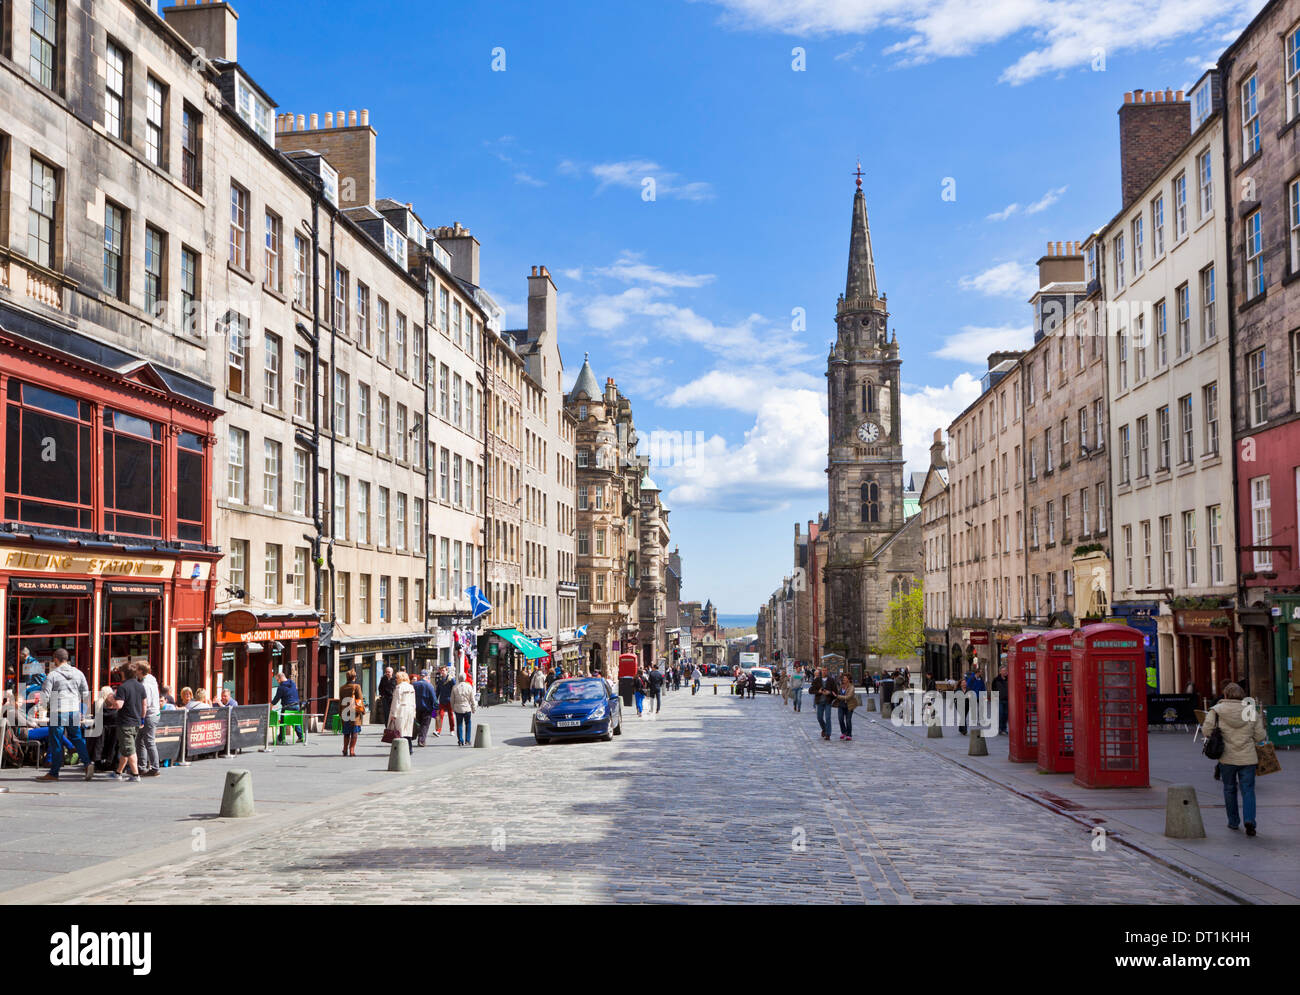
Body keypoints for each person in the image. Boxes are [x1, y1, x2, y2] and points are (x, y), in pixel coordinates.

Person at [1201, 683, 1268, 836]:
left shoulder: (1217, 710)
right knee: (1248, 790)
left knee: (1229, 789)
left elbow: (1206, 731)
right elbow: (1260, 736)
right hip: (1248, 758)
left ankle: (1233, 821)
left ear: (1225, 695)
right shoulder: (1250, 710)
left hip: (1227, 757)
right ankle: (1249, 820)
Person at [36, 648, 93, 782]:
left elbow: (45, 696)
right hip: (74, 711)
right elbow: (85, 694)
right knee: (78, 739)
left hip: (58, 711)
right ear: (67, 659)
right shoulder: (78, 673)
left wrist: (43, 709)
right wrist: (83, 712)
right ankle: (87, 764)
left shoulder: (53, 675)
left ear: (56, 659)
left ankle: (54, 773)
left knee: (56, 742)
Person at [108, 664, 146, 782]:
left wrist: (111, 700)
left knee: (129, 749)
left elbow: (119, 705)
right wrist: (142, 719)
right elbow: (145, 704)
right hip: (136, 721)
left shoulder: (123, 687)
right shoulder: (140, 686)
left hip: (125, 722)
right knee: (125, 748)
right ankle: (118, 772)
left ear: (124, 673)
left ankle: (135, 775)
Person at [136, 661, 161, 777]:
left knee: (149, 741)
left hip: (149, 715)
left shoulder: (145, 685)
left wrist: (141, 717)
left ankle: (155, 768)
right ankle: (142, 766)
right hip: (153, 714)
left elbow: (147, 702)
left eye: (136, 669)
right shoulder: (152, 678)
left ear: (140, 671)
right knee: (140, 740)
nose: (135, 671)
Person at [271, 669, 304, 744]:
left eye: (277, 680)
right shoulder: (292, 683)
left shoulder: (281, 687)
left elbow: (276, 698)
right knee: (295, 721)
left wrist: (271, 705)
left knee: (283, 722)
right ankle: (301, 736)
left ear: (280, 678)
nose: (277, 682)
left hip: (287, 706)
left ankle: (281, 739)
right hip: (296, 705)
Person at [387, 671, 416, 753]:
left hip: (401, 710)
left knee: (400, 730)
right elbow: (414, 701)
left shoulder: (398, 688)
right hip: (410, 710)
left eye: (397, 678)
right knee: (408, 730)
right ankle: (410, 748)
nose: (396, 679)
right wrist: (414, 712)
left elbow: (396, 702)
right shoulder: (411, 687)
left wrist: (393, 714)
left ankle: (402, 750)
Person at [339, 669, 365, 757]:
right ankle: (352, 750)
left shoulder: (342, 688)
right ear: (354, 677)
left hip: (345, 712)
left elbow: (340, 701)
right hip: (354, 712)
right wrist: (363, 710)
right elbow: (359, 699)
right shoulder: (357, 686)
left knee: (346, 732)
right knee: (354, 732)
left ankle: (345, 749)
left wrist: (340, 713)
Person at [451, 674, 477, 746]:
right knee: (468, 724)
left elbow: (452, 699)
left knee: (459, 724)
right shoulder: (469, 687)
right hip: (467, 708)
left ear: (458, 679)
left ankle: (460, 740)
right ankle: (467, 740)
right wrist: (473, 708)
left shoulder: (455, 687)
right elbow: (472, 699)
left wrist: (453, 708)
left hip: (458, 708)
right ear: (465, 679)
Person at [414, 670, 438, 746]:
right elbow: (434, 699)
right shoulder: (429, 685)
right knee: (425, 725)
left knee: (418, 723)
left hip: (417, 708)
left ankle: (418, 736)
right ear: (426, 676)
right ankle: (421, 740)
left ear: (420, 676)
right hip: (427, 709)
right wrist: (435, 711)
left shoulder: (414, 685)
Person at [834, 670, 860, 741]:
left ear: (848, 679)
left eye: (845, 678)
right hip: (841, 705)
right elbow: (836, 684)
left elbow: (848, 697)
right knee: (840, 719)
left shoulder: (852, 687)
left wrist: (838, 696)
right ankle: (844, 732)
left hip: (849, 705)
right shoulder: (841, 686)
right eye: (843, 678)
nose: (844, 679)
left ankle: (849, 734)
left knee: (848, 720)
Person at [814, 668, 838, 741]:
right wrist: (818, 691)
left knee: (828, 718)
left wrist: (829, 693)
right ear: (821, 671)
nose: (824, 672)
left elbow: (835, 692)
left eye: (825, 670)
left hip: (828, 702)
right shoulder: (817, 680)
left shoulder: (831, 680)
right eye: (823, 670)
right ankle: (824, 729)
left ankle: (828, 734)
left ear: (827, 671)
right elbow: (811, 690)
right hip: (820, 702)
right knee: (819, 718)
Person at [434, 667, 456, 736]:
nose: (442, 672)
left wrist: (454, 699)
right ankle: (438, 731)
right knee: (440, 715)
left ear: (447, 671)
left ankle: (452, 730)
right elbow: (438, 691)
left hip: (450, 700)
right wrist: (435, 699)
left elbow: (454, 690)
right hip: (442, 700)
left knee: (451, 716)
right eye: (441, 671)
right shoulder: (440, 680)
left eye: (443, 670)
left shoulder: (451, 679)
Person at [991, 664, 1010, 735]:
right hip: (999, 699)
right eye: (1004, 670)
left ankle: (1004, 728)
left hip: (1007, 699)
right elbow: (993, 689)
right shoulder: (996, 680)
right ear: (1000, 672)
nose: (1005, 672)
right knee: (1001, 714)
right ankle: (1000, 728)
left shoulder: (1009, 679)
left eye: (1006, 670)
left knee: (1006, 715)